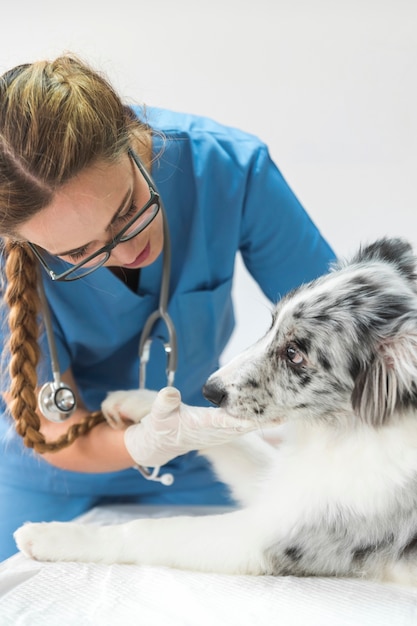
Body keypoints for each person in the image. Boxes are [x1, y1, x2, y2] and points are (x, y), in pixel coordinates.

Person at [0, 54, 336, 561]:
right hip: (52, 472)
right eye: (76, 254)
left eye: (128, 210)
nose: (127, 251)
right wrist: (139, 445)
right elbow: (50, 427)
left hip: (195, 454)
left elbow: (343, 332)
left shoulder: (230, 170)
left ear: (133, 138)